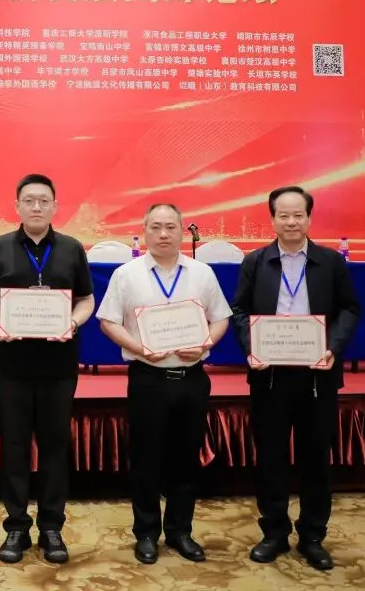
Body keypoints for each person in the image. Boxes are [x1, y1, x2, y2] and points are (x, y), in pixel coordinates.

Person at [231, 186, 361, 571]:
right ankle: (274, 532)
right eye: (283, 215)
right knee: (270, 457)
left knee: (315, 458)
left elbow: (350, 309)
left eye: (298, 215)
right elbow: (239, 310)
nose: (291, 222)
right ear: (272, 219)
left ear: (309, 218)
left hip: (317, 375)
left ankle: (312, 535)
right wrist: (251, 346)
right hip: (269, 376)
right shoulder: (255, 261)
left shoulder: (330, 262)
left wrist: (333, 347)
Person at [97, 203, 232, 564]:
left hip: (191, 379)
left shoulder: (202, 273)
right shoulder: (126, 274)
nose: (163, 234)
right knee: (145, 459)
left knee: (185, 458)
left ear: (181, 230)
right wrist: (138, 347)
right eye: (155, 227)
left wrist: (206, 343)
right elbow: (108, 321)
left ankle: (180, 532)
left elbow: (221, 318)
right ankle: (146, 534)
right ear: (144, 231)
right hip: (148, 379)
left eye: (170, 227)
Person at [0, 173, 95, 564]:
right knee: (13, 446)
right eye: (29, 201)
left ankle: (51, 527)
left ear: (55, 206)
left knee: (55, 446)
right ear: (18, 206)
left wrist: (73, 321)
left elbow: (87, 299)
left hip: (59, 366)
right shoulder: (0, 247)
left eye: (44, 200)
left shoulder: (72, 249)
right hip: (11, 366)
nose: (37, 207)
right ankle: (16, 527)